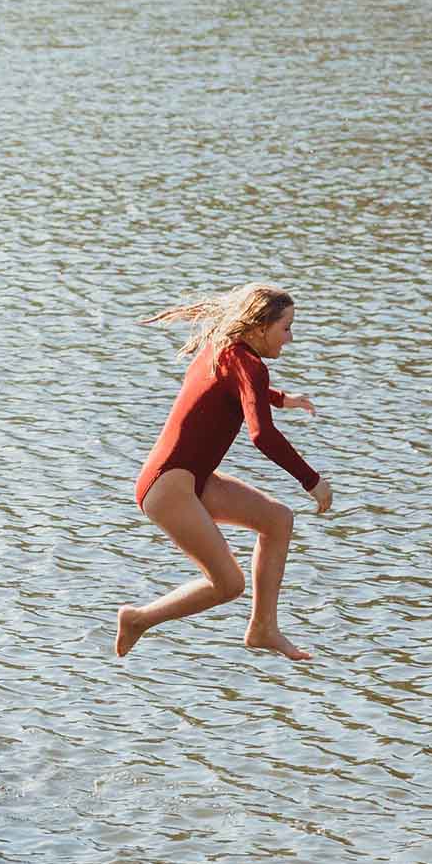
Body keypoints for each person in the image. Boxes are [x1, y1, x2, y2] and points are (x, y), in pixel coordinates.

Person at [114, 282, 329, 663]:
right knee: (229, 583)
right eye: (287, 328)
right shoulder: (247, 363)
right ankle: (138, 618)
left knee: (278, 520)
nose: (291, 338)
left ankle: (263, 628)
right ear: (261, 327)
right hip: (169, 486)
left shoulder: (224, 347)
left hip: (188, 478)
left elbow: (234, 387)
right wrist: (312, 481)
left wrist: (281, 399)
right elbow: (262, 435)